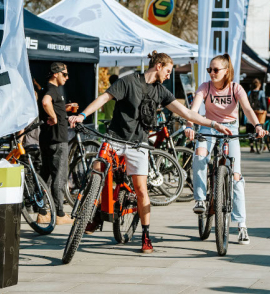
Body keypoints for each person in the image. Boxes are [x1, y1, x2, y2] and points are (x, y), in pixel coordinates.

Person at [68, 51, 233, 254]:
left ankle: (146, 236)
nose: (169, 75)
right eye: (168, 71)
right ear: (159, 66)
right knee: (97, 167)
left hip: (139, 144)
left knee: (141, 190)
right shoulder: (128, 81)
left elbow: (188, 113)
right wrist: (82, 114)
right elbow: (104, 98)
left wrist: (214, 124)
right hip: (115, 137)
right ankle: (90, 214)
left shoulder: (160, 92)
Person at [184, 54, 267, 245]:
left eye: (215, 70)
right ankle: (200, 200)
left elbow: (246, 108)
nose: (211, 73)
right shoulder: (205, 87)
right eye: (209, 70)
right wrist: (189, 125)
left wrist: (257, 126)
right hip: (208, 127)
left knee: (236, 177)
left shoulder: (235, 88)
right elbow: (193, 109)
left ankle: (242, 226)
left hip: (231, 129)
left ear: (226, 71)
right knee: (199, 155)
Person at [38, 62, 78, 225]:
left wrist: (63, 109)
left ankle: (43, 212)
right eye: (65, 74)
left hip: (48, 138)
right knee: (60, 176)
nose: (67, 77)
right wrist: (54, 117)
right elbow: (46, 102)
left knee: (46, 176)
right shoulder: (51, 89)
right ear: (56, 73)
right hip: (57, 138)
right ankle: (59, 213)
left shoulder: (47, 89)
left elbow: (49, 103)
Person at [246, 78, 267, 153]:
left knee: (250, 129)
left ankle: (251, 146)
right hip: (259, 112)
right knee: (260, 127)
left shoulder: (249, 92)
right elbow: (264, 102)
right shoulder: (261, 92)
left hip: (251, 112)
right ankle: (261, 142)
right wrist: (265, 110)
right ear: (259, 85)